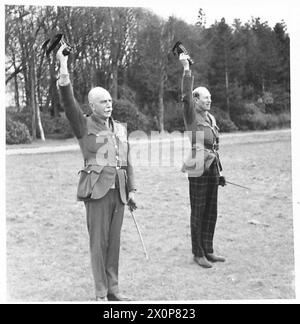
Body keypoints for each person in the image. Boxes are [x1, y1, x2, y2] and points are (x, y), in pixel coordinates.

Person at [56, 44, 137, 301]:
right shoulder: (83, 124)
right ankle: (100, 292)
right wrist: (64, 67)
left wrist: (131, 190)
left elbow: (127, 160)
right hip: (97, 193)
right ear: (92, 105)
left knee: (114, 245)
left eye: (110, 100)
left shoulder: (121, 128)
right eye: (103, 101)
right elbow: (68, 101)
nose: (109, 104)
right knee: (98, 245)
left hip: (120, 193)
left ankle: (114, 290)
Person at [179, 53, 226, 269]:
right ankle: (198, 253)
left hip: (212, 166)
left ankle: (208, 249)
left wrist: (220, 172)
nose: (209, 100)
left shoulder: (211, 119)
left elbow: (214, 147)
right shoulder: (191, 115)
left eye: (210, 98)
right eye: (205, 98)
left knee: (211, 209)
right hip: (197, 165)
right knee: (198, 209)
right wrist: (186, 68)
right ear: (196, 100)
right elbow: (186, 95)